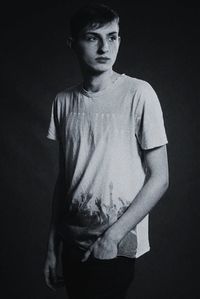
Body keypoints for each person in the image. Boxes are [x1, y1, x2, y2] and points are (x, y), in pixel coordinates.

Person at [43, 3, 169, 299]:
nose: (104, 47)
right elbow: (66, 179)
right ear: (73, 44)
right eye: (92, 37)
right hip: (72, 245)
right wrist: (51, 248)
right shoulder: (63, 102)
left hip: (115, 246)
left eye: (112, 37)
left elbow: (160, 177)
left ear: (119, 40)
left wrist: (112, 237)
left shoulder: (139, 93)